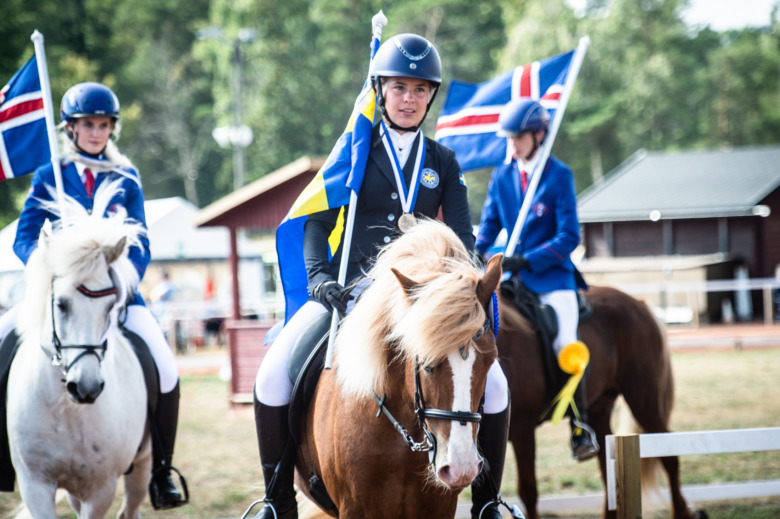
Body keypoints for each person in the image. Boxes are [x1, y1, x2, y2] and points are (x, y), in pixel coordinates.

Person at [253, 34, 513, 519]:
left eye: (419, 90)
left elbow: (463, 237)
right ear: (381, 91)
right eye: (399, 88)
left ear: (429, 96)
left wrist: (456, 286)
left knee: (494, 384)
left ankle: (487, 502)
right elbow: (317, 220)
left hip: (424, 298)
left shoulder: (443, 161)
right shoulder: (355, 150)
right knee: (272, 376)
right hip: (351, 293)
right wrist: (317, 278)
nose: (409, 99)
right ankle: (277, 502)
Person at [0, 82, 187, 508]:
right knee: (2, 339)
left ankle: (160, 470)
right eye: (88, 125)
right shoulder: (51, 175)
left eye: (104, 125)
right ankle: (4, 454)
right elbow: (26, 237)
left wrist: (123, 284)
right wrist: (47, 270)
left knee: (165, 365)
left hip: (114, 296)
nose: (96, 133)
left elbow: (139, 246)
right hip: (58, 295)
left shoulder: (126, 179)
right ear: (71, 128)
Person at [475, 98, 598, 462]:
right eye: (509, 138)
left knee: (564, 341)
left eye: (518, 138)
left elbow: (568, 236)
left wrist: (527, 259)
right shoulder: (502, 176)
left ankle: (581, 425)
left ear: (539, 134)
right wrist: (474, 252)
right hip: (511, 276)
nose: (511, 145)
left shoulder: (558, 175)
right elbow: (490, 225)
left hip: (552, 278)